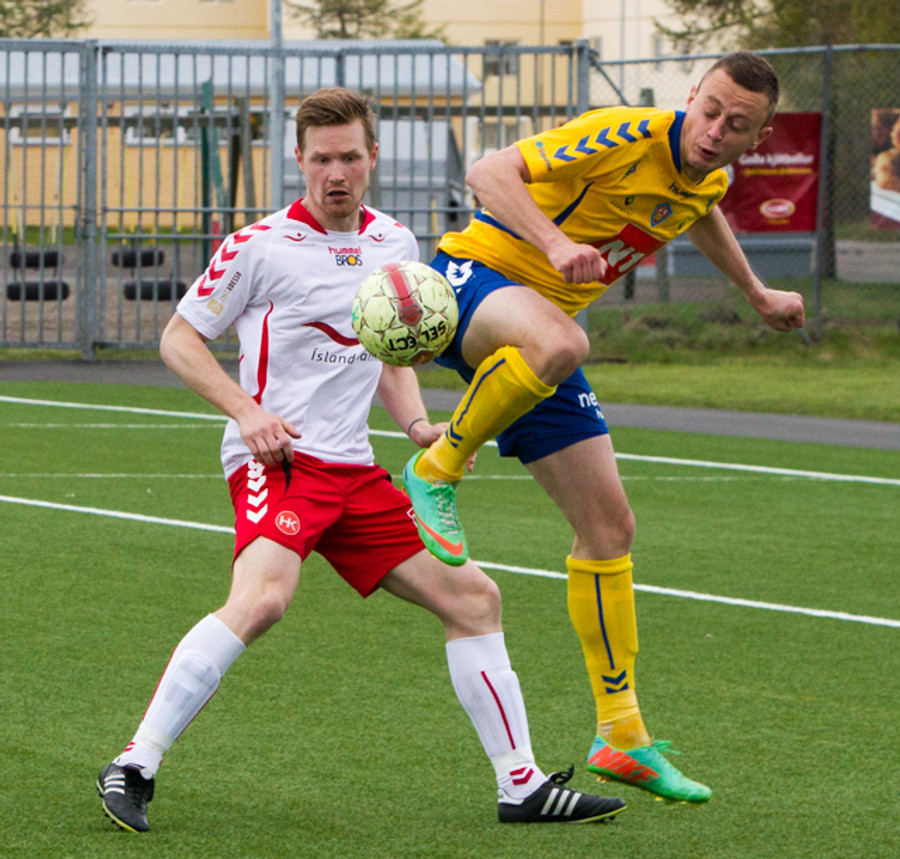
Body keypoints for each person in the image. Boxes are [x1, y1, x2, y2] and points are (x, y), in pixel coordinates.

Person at [95, 87, 626, 833]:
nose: (335, 173)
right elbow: (178, 339)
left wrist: (416, 425)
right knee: (263, 599)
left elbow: (389, 348)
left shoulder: (394, 246)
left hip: (354, 469)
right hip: (279, 460)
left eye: (349, 157)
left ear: (373, 156)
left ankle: (522, 785)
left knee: (474, 599)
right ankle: (134, 763)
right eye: (321, 160)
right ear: (299, 159)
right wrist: (247, 412)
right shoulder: (259, 245)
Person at [402, 52, 806, 804]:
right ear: (692, 94)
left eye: (736, 125)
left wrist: (755, 292)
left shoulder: (708, 175)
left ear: (759, 137)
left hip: (540, 336)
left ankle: (621, 734)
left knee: (609, 529)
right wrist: (556, 245)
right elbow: (489, 172)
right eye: (710, 110)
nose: (714, 132)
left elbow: (700, 209)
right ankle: (436, 468)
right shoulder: (626, 133)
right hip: (474, 281)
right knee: (564, 342)